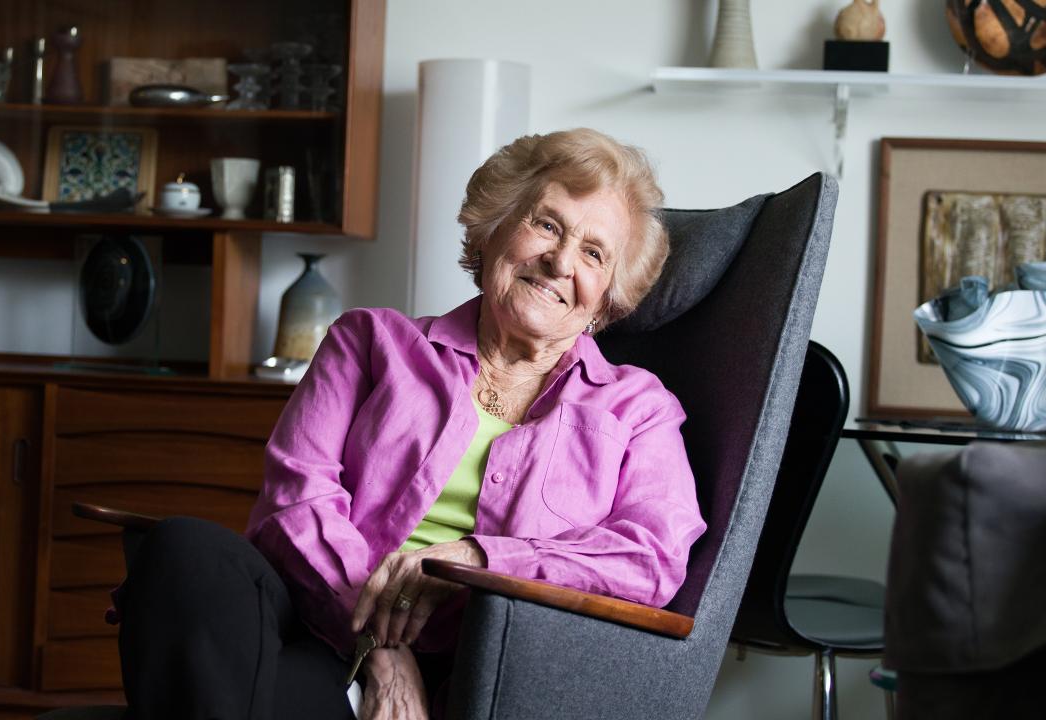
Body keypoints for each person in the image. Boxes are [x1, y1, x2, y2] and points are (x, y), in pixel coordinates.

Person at [115, 128, 706, 720]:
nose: (559, 260)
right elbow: (296, 501)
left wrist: (482, 561)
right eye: (546, 225)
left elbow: (650, 558)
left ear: (607, 298)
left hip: (483, 674)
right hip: (323, 632)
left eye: (594, 253)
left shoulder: (638, 410)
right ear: (492, 229)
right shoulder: (371, 343)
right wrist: (379, 648)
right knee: (182, 547)